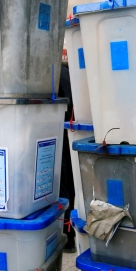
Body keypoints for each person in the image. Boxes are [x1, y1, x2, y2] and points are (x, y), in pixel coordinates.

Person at [56, 62, 76, 251]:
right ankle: (70, 232)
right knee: (70, 183)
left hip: (58, 131)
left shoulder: (52, 72)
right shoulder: (68, 72)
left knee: (62, 185)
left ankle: (66, 235)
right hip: (70, 130)